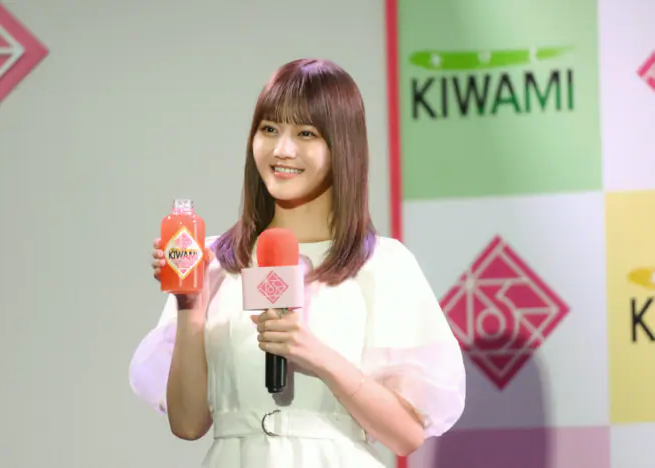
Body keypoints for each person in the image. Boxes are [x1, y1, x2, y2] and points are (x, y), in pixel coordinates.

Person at [129, 58, 466, 467]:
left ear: (342, 146)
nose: (282, 150)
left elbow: (406, 435)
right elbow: (187, 423)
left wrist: (316, 355)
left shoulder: (382, 264)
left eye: (306, 133)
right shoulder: (214, 261)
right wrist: (190, 305)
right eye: (269, 129)